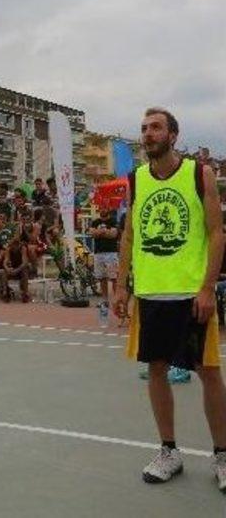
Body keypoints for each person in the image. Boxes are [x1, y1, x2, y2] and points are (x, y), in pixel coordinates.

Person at [113, 108, 226, 492]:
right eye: (144, 128)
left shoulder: (200, 174)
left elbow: (216, 233)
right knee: (157, 370)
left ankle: (222, 454)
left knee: (209, 372)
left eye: (156, 127)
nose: (148, 134)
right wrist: (121, 285)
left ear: (173, 135)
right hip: (150, 293)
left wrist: (208, 286)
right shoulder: (136, 179)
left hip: (191, 294)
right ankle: (169, 451)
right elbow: (129, 236)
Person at [89, 207, 120, 303]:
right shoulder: (95, 222)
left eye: (105, 208)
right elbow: (92, 233)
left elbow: (113, 234)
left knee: (114, 277)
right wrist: (105, 232)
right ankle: (104, 300)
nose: (103, 210)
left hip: (111, 253)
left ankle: (116, 299)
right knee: (102, 278)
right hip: (98, 253)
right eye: (101, 208)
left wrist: (99, 232)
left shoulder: (113, 221)